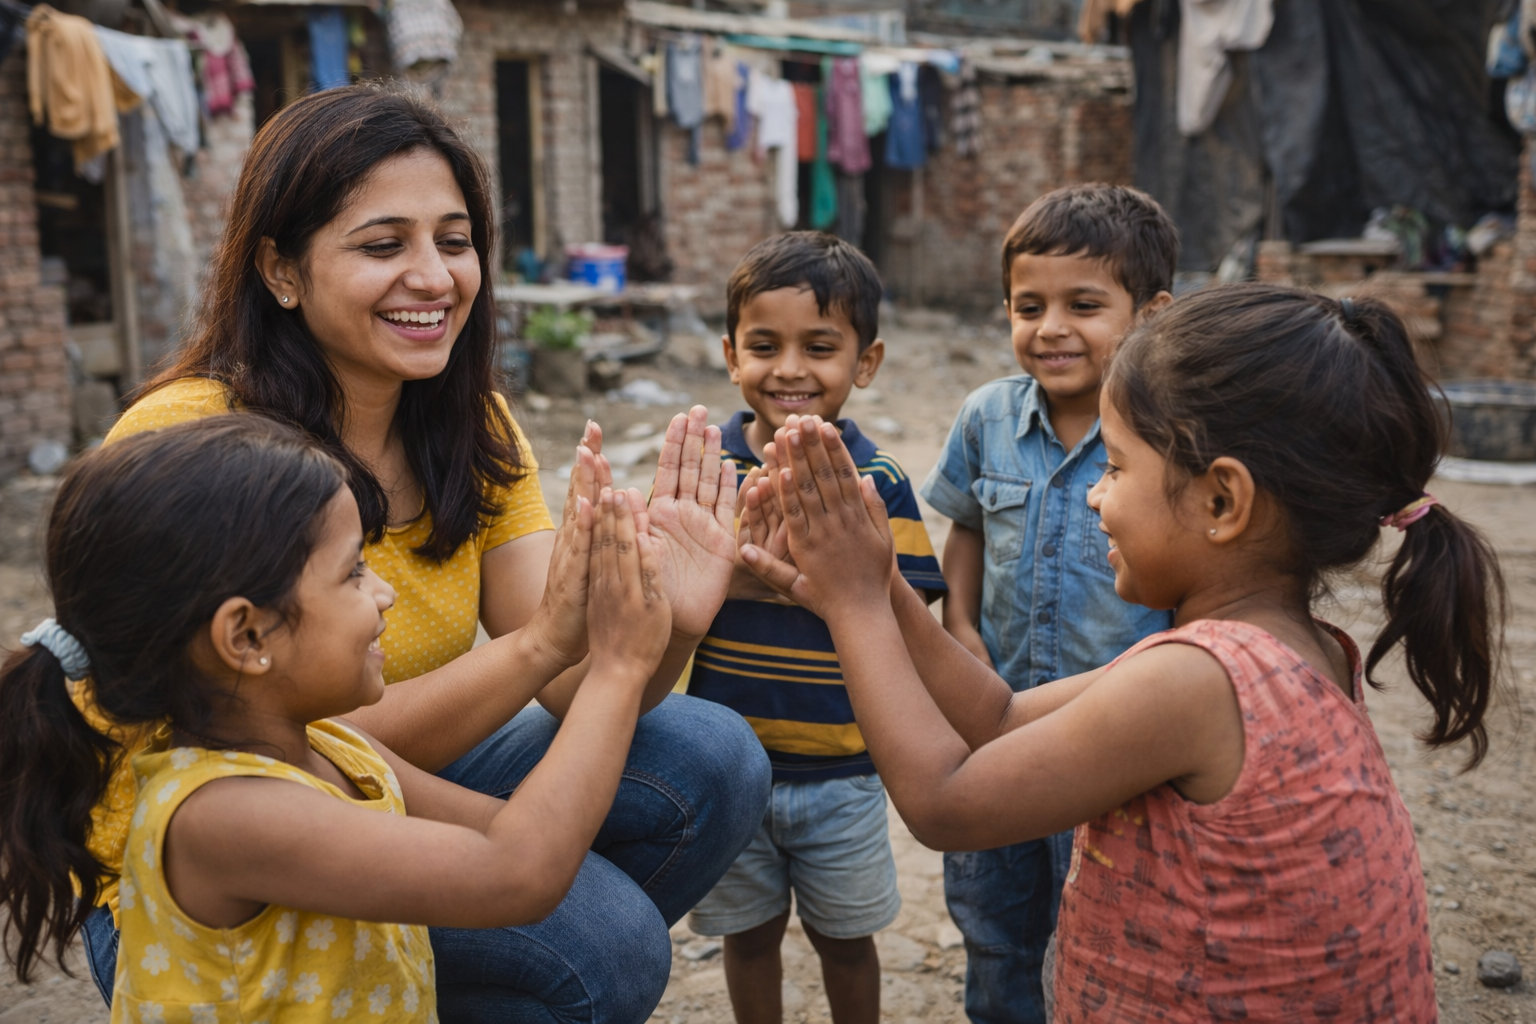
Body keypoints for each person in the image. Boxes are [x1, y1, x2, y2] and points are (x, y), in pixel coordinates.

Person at [85, 84, 770, 1023]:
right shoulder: (192, 447)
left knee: (711, 751)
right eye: (382, 245)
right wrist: (547, 658)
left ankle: (424, 979)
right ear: (280, 270)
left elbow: (572, 686)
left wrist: (664, 631)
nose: (435, 278)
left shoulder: (468, 422)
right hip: (211, 870)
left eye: (454, 242)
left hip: (385, 787)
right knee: (600, 939)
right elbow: (286, 745)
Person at [739, 283, 1509, 1020]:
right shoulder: (1289, 647)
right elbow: (1001, 717)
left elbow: (944, 802)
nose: (1094, 495)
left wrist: (855, 606)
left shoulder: (1197, 682)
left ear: (1222, 501)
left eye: (1115, 466)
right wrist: (880, 583)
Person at [0, 415, 680, 1022]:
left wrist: (564, 630)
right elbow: (518, 872)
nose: (383, 594)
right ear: (246, 637)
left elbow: (508, 830)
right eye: (354, 572)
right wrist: (617, 670)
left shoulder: (332, 743)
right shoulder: (218, 815)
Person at [918, 184, 1176, 1022]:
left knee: (1106, 924)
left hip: (1114, 740)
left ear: (1151, 313)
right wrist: (959, 627)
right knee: (994, 920)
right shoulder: (987, 417)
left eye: (1085, 304)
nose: (1051, 327)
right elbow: (963, 528)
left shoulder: (1168, 438)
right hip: (994, 717)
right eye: (1030, 306)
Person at [683, 232, 946, 1024]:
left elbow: (909, 604)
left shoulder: (878, 484)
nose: (791, 369)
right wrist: (731, 565)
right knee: (748, 934)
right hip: (733, 771)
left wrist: (826, 579)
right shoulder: (711, 472)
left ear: (864, 363)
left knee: (845, 939)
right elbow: (676, 589)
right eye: (765, 345)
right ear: (732, 356)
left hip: (844, 771)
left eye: (820, 347)